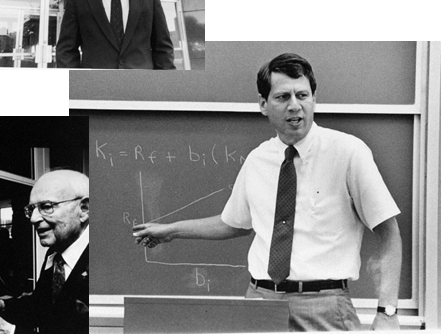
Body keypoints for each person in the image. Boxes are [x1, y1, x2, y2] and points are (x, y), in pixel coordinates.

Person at [133, 53, 402, 331]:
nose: (295, 106)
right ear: (263, 104)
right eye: (283, 97)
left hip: (324, 307)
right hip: (260, 302)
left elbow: (389, 233)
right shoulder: (258, 159)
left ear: (314, 99)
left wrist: (388, 311)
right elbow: (232, 224)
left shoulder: (348, 152)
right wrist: (171, 231)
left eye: (303, 95)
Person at [0, 170, 89, 334]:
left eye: (46, 207)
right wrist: (0, 305)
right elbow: (40, 304)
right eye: (31, 209)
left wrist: (5, 330)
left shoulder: (114, 268)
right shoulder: (55, 253)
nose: (33, 218)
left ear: (84, 209)